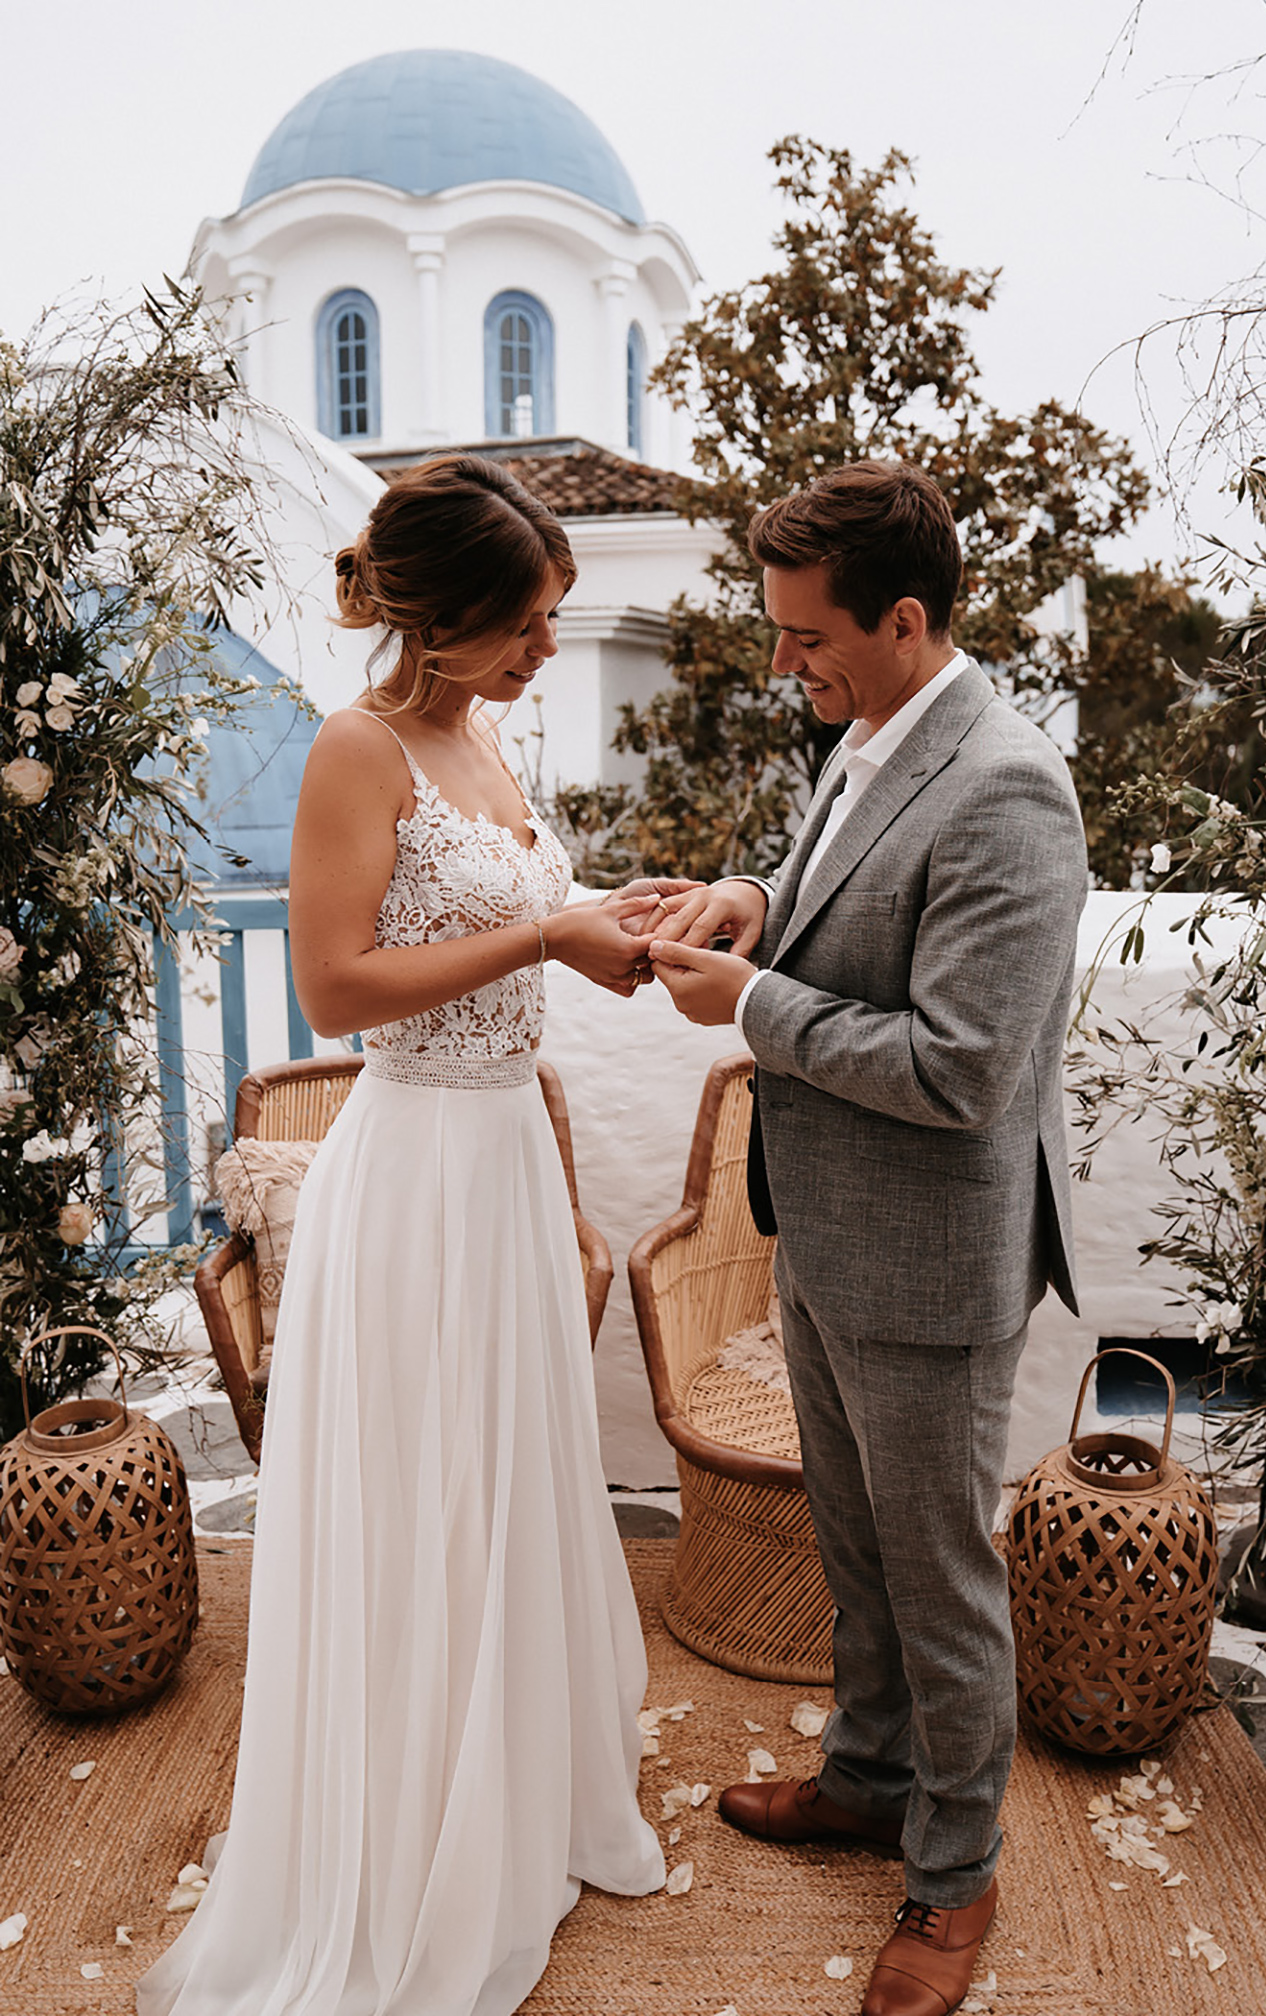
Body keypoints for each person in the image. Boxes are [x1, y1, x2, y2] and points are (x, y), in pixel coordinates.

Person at [137, 455, 682, 2016]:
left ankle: (508, 1807)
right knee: (420, 1491)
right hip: (418, 1167)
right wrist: (549, 934)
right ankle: (402, 1851)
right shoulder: (355, 749)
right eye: (526, 624)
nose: (546, 653)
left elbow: (507, 928)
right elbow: (337, 990)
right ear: (437, 623)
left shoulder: (485, 739)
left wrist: (604, 915)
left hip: (507, 1155)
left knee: (504, 1477)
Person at [644, 460, 1088, 2016]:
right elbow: (850, 887)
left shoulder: (1013, 783)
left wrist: (755, 1013)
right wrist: (760, 898)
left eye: (804, 635)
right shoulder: (875, 730)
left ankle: (953, 1879)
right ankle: (866, 1775)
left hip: (932, 1263)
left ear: (905, 621)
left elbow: (967, 1069)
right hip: (825, 1238)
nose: (784, 662)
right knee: (857, 1555)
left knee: (940, 1577)